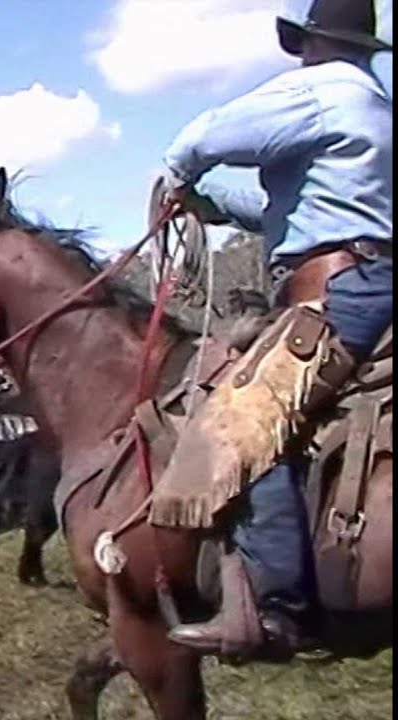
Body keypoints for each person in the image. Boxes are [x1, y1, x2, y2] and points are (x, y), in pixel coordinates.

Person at [154, 0, 392, 658]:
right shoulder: (373, 108)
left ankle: (273, 607)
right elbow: (283, 209)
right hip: (373, 276)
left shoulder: (322, 91)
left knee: (245, 419)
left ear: (314, 43)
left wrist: (176, 173)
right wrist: (210, 205)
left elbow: (210, 135)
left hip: (338, 290)